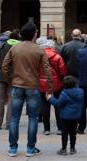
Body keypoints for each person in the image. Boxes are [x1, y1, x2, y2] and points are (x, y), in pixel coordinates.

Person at [3, 22, 53, 158]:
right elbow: (47, 70)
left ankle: (13, 148)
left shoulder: (15, 48)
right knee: (33, 118)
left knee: (14, 118)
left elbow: (5, 66)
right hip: (33, 86)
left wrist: (10, 80)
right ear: (34, 34)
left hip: (17, 85)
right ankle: (30, 148)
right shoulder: (39, 50)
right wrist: (49, 88)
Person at [47, 75, 84, 156]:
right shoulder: (80, 92)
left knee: (65, 133)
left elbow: (58, 104)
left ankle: (63, 149)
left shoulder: (64, 94)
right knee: (73, 133)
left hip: (65, 117)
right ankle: (72, 148)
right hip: (75, 116)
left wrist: (50, 98)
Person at [37, 37, 67, 135]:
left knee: (45, 106)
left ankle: (47, 129)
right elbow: (63, 71)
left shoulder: (39, 56)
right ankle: (60, 128)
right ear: (52, 47)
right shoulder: (57, 57)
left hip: (42, 84)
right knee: (58, 106)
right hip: (56, 84)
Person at [0, 31, 20, 130]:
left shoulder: (2, 46)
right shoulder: (19, 48)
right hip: (14, 77)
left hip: (1, 76)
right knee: (11, 100)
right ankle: (9, 123)